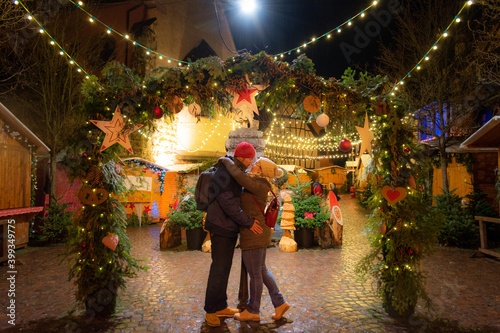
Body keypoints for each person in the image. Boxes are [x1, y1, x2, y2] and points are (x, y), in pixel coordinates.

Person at [220, 156, 291, 322]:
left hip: (255, 232)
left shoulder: (258, 184)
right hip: (256, 231)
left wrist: (227, 161)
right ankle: (279, 303)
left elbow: (240, 177)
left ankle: (253, 310)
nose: (252, 165)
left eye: (256, 164)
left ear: (261, 170)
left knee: (255, 273)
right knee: (261, 271)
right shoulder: (258, 183)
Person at [204, 142, 264, 327]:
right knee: (218, 269)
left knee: (224, 268)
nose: (251, 162)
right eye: (250, 158)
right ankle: (210, 311)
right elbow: (228, 203)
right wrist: (248, 221)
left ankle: (220, 306)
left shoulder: (234, 171)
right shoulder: (225, 173)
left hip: (228, 227)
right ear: (242, 157)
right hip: (221, 227)